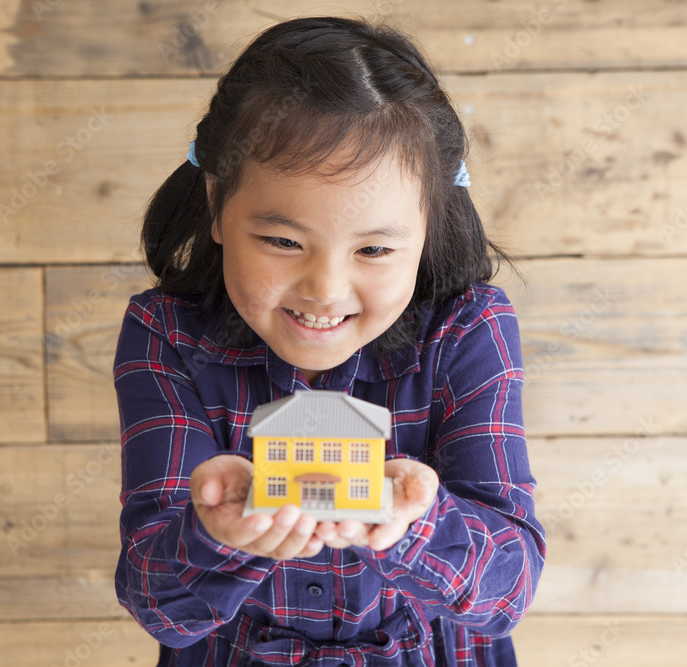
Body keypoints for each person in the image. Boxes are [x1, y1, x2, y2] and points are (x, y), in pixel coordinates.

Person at [113, 15, 545, 666]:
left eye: (374, 248)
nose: (324, 288)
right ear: (216, 205)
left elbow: (509, 590)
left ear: (428, 229)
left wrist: (415, 525)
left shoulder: (466, 330)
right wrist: (215, 534)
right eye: (283, 241)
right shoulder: (167, 335)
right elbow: (154, 601)